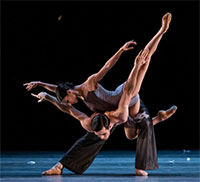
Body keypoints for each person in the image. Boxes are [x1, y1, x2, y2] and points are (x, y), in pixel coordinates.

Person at [25, 12, 176, 176]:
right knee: (126, 135)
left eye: (68, 99)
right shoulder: (86, 112)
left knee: (143, 63)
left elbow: (106, 67)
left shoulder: (89, 84)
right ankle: (60, 166)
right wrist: (41, 87)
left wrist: (121, 51)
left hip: (125, 100)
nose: (70, 103)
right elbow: (61, 98)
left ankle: (162, 30)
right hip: (112, 114)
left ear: (70, 91)